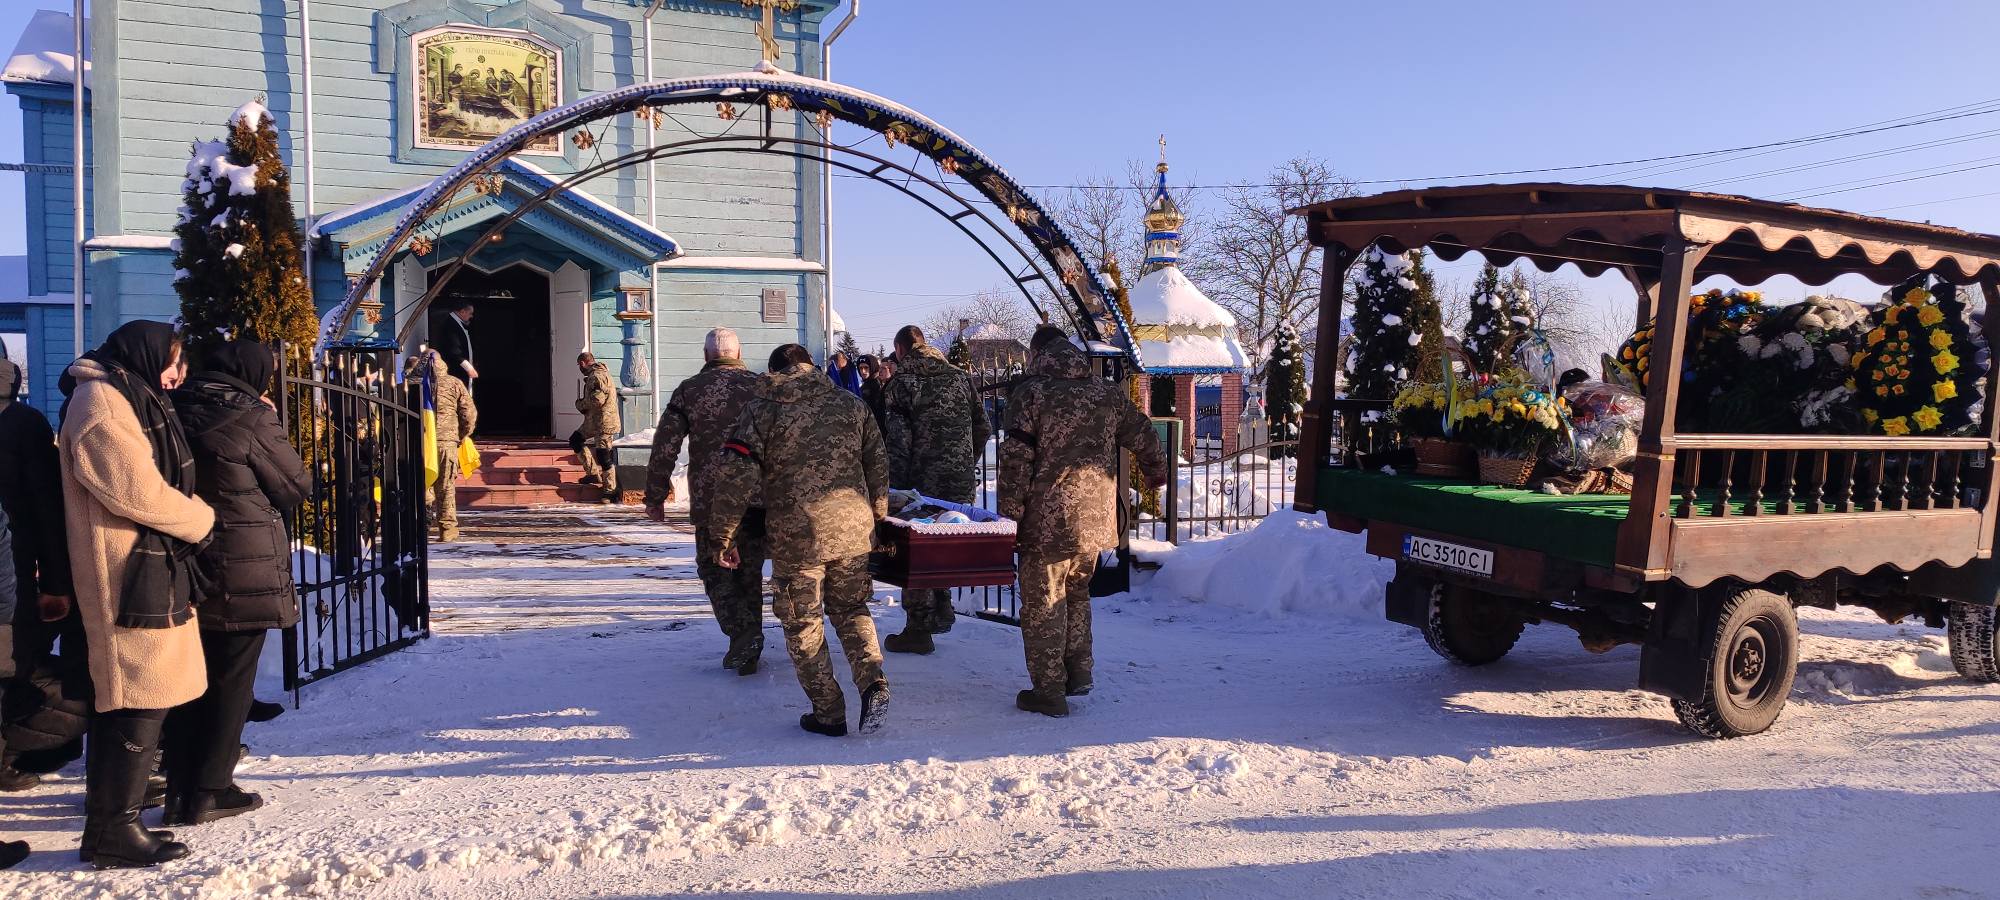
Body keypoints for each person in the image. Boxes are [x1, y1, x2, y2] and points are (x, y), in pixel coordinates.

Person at [58, 321, 217, 868]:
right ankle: (111, 830)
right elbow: (135, 490)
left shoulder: (124, 393)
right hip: (121, 572)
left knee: (136, 695)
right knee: (136, 694)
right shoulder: (101, 404)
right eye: (172, 362)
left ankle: (112, 821)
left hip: (140, 565)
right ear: (145, 354)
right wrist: (199, 518)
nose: (174, 376)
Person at [163, 340, 309, 827]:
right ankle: (211, 788)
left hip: (182, 561)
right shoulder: (251, 416)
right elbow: (295, 486)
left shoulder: (171, 407)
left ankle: (178, 783)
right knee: (231, 683)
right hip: (244, 563)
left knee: (186, 679)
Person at [709, 344, 889, 737]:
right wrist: (875, 518)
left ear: (775, 370)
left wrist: (723, 535)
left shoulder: (762, 408)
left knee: (802, 622)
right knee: (852, 608)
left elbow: (735, 478)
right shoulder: (851, 404)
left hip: (797, 536)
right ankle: (872, 680)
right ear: (810, 365)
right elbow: (877, 464)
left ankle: (828, 711)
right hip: (853, 532)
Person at [1000, 327, 1168, 718]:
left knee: (1044, 604)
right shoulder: (1106, 393)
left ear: (1038, 353)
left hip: (1047, 519)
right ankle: (1078, 672)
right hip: (1095, 520)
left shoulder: (1032, 393)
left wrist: (1009, 518)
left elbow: (1015, 460)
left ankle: (1048, 691)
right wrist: (1155, 471)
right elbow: (1143, 432)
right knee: (1076, 594)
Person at [645, 328, 767, 674]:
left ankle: (743, 635)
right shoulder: (761, 388)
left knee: (715, 570)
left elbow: (665, 445)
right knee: (749, 572)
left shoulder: (690, 391)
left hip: (712, 498)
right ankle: (749, 645)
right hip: (756, 498)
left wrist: (655, 494)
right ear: (739, 352)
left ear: (705, 355)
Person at [881, 325, 989, 655]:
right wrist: (964, 462)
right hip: (959, 482)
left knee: (915, 552)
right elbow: (982, 427)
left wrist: (894, 493)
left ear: (900, 349)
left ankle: (918, 627)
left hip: (920, 485)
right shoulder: (960, 378)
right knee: (944, 544)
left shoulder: (901, 384)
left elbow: (898, 445)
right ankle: (942, 607)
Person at [0, 357, 79, 791]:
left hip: (13, 564)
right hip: (14, 569)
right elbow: (47, 509)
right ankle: (16, 755)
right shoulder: (24, 423)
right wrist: (55, 582)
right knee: (19, 666)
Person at [427, 352, 477, 542]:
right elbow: (468, 413)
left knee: (421, 484)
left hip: (420, 441)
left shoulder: (413, 382)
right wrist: (462, 435)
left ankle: (420, 524)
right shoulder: (453, 383)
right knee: (446, 486)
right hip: (446, 441)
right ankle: (447, 529)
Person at [575, 352, 621, 503]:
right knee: (576, 440)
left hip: (604, 422)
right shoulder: (596, 374)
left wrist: (581, 404)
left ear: (582, 363)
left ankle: (610, 491)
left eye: (579, 365)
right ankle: (593, 473)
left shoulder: (597, 376)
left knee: (604, 455)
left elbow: (597, 400)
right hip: (593, 421)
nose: (579, 368)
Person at [431, 299, 479, 385]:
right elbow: (454, 351)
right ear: (462, 311)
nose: (471, 316)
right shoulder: (450, 325)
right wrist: (469, 368)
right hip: (455, 370)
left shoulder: (456, 322)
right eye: (470, 313)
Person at [857, 354, 887, 434]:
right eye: (861, 368)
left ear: (872, 367)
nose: (863, 371)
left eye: (866, 368)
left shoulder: (876, 385)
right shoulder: (866, 384)